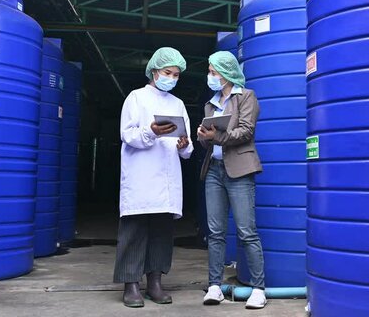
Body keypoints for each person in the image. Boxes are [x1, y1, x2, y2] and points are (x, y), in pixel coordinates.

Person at [114, 47, 193, 308]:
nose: (171, 78)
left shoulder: (178, 104)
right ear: (154, 71)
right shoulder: (136, 98)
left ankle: (155, 283)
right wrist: (151, 132)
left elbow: (188, 147)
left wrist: (183, 145)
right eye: (167, 72)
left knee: (161, 232)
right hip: (141, 175)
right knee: (134, 231)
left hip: (167, 178)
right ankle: (131, 285)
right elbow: (128, 135)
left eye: (176, 75)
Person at [197, 51, 267, 309]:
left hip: (239, 169)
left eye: (213, 72)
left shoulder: (246, 96)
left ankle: (259, 289)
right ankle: (214, 286)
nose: (210, 76)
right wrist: (204, 136)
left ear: (226, 73)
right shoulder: (210, 103)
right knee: (215, 232)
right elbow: (210, 142)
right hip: (214, 170)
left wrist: (216, 136)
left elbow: (246, 132)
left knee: (247, 232)